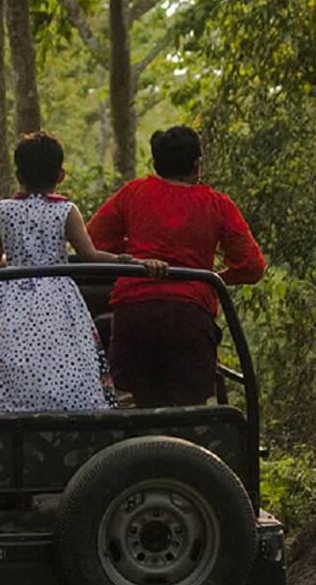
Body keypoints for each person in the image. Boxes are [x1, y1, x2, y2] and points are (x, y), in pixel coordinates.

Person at [0, 130, 166, 413]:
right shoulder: (66, 210)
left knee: (17, 358)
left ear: (19, 175)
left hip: (13, 296)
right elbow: (89, 255)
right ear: (60, 175)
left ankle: (19, 409)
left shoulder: (3, 210)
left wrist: (16, 265)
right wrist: (129, 261)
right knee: (69, 357)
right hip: (58, 297)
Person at [87, 125, 265, 407]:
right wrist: (213, 278)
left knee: (134, 404)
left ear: (157, 163)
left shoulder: (134, 193)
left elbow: (92, 240)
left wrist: (137, 257)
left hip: (134, 315)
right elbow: (252, 266)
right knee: (188, 409)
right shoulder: (216, 204)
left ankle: (134, 450)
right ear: (197, 164)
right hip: (190, 317)